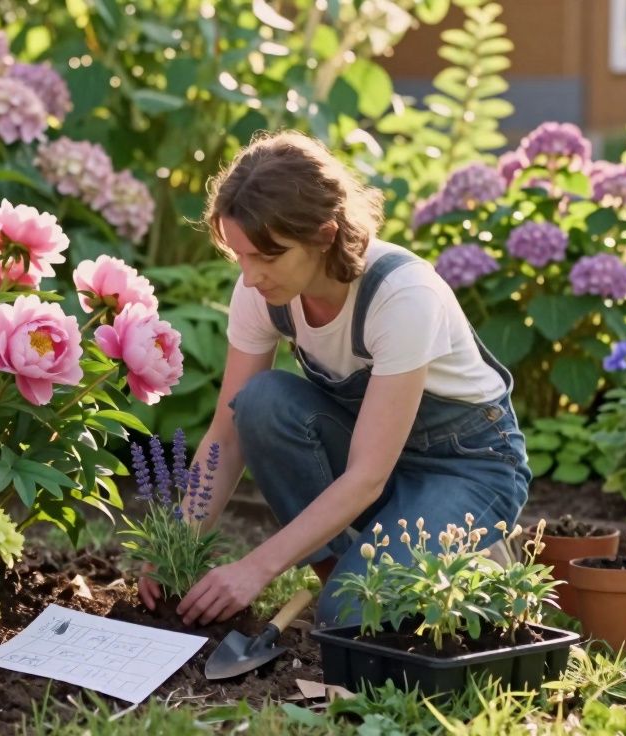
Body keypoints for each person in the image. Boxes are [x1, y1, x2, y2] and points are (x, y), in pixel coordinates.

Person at [138, 130, 532, 628]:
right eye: (240, 255)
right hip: (373, 460)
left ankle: (480, 563)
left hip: (464, 468)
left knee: (353, 613)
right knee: (259, 404)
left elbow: (367, 474)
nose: (252, 275)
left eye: (269, 255)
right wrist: (174, 544)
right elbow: (226, 436)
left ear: (325, 235)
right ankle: (341, 574)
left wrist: (256, 568)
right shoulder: (261, 291)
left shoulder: (401, 295)